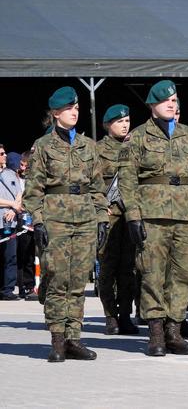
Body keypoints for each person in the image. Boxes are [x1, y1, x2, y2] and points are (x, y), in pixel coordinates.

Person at [118, 80, 188, 356]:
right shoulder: (138, 137)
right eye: (166, 100)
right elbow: (127, 179)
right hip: (152, 214)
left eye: (174, 100)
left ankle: (174, 330)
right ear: (152, 105)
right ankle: (156, 331)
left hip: (184, 214)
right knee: (152, 273)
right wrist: (133, 215)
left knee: (182, 274)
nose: (172, 104)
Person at [23, 86, 109, 362]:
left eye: (77, 108)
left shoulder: (88, 146)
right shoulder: (44, 146)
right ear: (56, 113)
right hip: (55, 218)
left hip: (85, 217)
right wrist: (38, 221)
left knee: (78, 279)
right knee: (57, 278)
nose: (75, 112)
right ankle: (57, 339)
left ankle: (74, 338)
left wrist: (102, 217)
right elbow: (34, 189)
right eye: (69, 108)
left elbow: (98, 187)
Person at [96, 104, 139, 335]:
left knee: (128, 269)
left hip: (130, 215)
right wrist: (101, 207)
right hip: (110, 215)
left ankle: (125, 315)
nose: (125, 125)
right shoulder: (97, 150)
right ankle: (110, 316)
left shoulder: (135, 146)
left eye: (127, 121)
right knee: (108, 268)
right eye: (119, 121)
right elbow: (92, 183)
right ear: (108, 125)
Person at [15, 151, 38, 300]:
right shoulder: (16, 179)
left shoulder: (35, 179)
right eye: (21, 165)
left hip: (33, 222)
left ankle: (30, 286)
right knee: (20, 256)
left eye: (26, 166)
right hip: (21, 222)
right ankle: (21, 285)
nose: (23, 169)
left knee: (31, 255)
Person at [1, 149, 23, 300]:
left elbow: (20, 194)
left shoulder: (11, 174)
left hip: (9, 221)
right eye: (1, 153)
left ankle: (7, 289)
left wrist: (14, 210)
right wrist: (12, 204)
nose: (5, 156)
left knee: (10, 256)